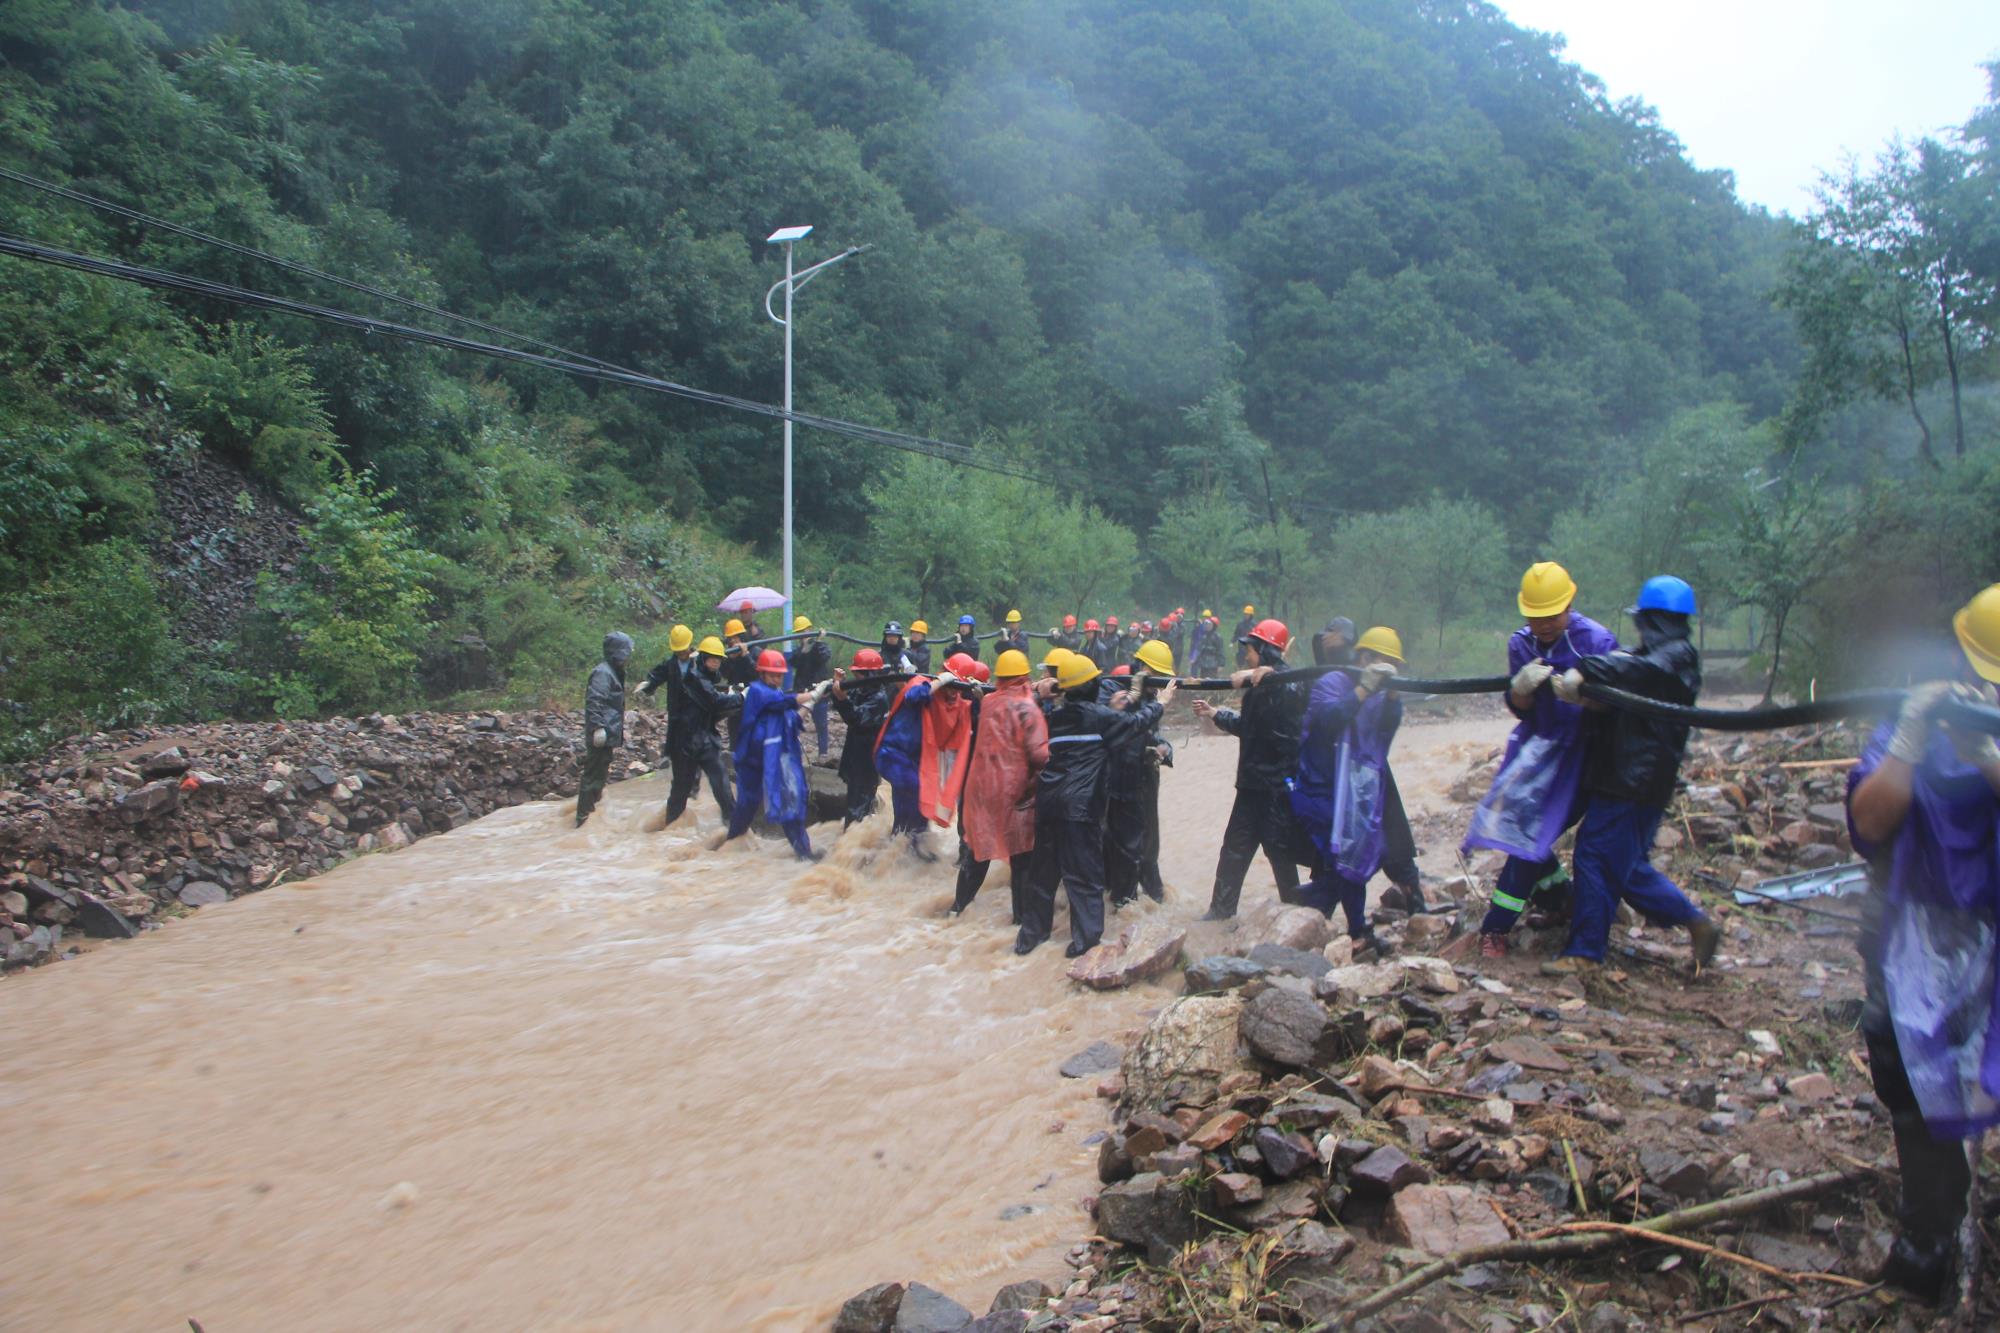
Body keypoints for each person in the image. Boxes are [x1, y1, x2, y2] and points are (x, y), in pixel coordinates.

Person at [1846, 584, 2000, 1302]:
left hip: (1988, 934)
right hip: (1904, 925)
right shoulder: (1916, 717)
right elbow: (1870, 822)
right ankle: (1930, 1235)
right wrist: (1911, 740)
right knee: (1904, 1071)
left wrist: (1989, 759)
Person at [1544, 576, 1719, 974]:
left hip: (1631, 779)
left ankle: (1585, 952)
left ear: (1650, 619)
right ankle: (1696, 923)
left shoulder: (1674, 657)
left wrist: (1584, 669)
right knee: (1626, 867)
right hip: (1640, 779)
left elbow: (1636, 670)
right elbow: (1630, 669)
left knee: (1593, 855)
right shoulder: (1659, 655)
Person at [1465, 563, 1621, 957]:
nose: (1544, 625)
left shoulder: (1598, 642)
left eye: (1551, 615)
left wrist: (1586, 697)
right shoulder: (1521, 644)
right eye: (1535, 617)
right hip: (1538, 752)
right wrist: (1520, 691)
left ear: (1569, 604)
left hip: (1585, 757)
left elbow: (1619, 709)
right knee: (1517, 827)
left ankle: (1496, 926)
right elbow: (1521, 708)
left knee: (1528, 837)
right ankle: (1559, 899)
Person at [1017, 652, 1174, 956]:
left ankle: (1029, 940)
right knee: (1084, 878)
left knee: (1042, 876)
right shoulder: (1099, 717)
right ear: (1091, 686)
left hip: (1048, 804)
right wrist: (1161, 703)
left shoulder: (1057, 715)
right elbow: (1136, 722)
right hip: (1080, 808)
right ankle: (1084, 945)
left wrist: (1043, 691)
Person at [1290, 628, 1405, 950]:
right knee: (1348, 861)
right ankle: (1355, 931)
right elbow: (1328, 722)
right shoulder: (1331, 682)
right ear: (1363, 657)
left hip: (1354, 795)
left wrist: (1392, 696)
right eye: (1380, 660)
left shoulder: (1381, 694)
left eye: (1393, 664)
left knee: (1364, 857)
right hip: (1317, 789)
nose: (1385, 668)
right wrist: (1363, 689)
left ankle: (1314, 904)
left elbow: (1385, 732)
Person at [1197, 618, 1309, 919]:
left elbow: (1296, 700)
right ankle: (1220, 911)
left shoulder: (1289, 683)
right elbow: (1250, 728)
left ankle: (1296, 915)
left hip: (1274, 788)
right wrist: (1216, 714)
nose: (1246, 655)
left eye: (1250, 650)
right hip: (1250, 785)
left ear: (1266, 650)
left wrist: (1270, 675)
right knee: (1234, 850)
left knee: (1280, 853)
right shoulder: (1260, 685)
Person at [952, 649, 1049, 918]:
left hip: (982, 790)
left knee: (978, 851)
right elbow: (1039, 756)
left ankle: (957, 909)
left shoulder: (989, 702)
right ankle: (1020, 919)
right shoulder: (1027, 708)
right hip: (1015, 792)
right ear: (1025, 677)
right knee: (1021, 856)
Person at [722, 650, 818, 860]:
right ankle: (730, 845)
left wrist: (809, 704)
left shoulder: (777, 695)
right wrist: (810, 695)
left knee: (788, 803)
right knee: (747, 804)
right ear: (762, 674)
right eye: (772, 675)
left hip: (775, 760)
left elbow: (791, 720)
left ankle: (804, 852)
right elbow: (781, 703)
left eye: (779, 675)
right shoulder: (758, 691)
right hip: (752, 760)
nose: (776, 679)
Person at [874, 657, 974, 857]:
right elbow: (913, 696)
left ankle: (900, 845)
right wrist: (939, 682)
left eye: (958, 688)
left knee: (908, 801)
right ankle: (914, 846)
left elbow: (965, 713)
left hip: (912, 760)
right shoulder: (922, 684)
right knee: (920, 793)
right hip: (892, 754)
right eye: (952, 686)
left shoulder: (951, 700)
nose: (954, 692)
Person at [1105, 638, 1176, 907]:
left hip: (1144, 777)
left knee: (1148, 843)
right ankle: (1123, 901)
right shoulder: (1112, 689)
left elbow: (1152, 733)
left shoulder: (1150, 695)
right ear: (1144, 669)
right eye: (1157, 675)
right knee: (1122, 844)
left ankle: (1153, 896)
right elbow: (1119, 725)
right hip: (1118, 780)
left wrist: (1163, 748)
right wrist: (1139, 699)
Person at [657, 635, 740, 825]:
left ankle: (733, 825)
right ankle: (671, 826)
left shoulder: (707, 676)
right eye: (712, 659)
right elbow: (715, 702)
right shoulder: (694, 677)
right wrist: (741, 698)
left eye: (718, 659)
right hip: (685, 743)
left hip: (705, 739)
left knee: (721, 782)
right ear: (703, 658)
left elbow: (715, 698)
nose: (716, 663)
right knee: (681, 789)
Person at [576, 631, 632, 826]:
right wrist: (598, 727)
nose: (628, 657)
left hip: (607, 734)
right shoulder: (603, 673)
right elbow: (595, 701)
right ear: (618, 652)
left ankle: (592, 816)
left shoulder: (612, 672)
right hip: (601, 733)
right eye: (626, 652)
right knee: (593, 776)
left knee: (599, 775)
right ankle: (583, 819)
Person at [831, 649, 893, 826]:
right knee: (855, 804)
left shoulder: (879, 699)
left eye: (858, 674)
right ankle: (855, 836)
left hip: (866, 760)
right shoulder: (861, 691)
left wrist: (842, 699)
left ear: (869, 674)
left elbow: (856, 718)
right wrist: (838, 689)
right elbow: (845, 704)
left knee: (859, 808)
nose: (856, 677)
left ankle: (856, 839)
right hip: (854, 756)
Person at [787, 616, 834, 757]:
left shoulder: (821, 646)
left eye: (805, 631)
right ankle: (791, 751)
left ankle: (823, 754)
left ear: (810, 630)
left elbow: (824, 657)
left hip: (819, 692)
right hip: (802, 691)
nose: (803, 635)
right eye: (800, 633)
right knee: (795, 721)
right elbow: (794, 662)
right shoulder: (799, 651)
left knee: (821, 725)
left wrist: (817, 643)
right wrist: (805, 648)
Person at [720, 618, 756, 688]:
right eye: (730, 638)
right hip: (734, 690)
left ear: (742, 636)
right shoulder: (728, 654)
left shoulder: (755, 651)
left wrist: (746, 656)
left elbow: (758, 675)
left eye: (735, 637)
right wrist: (731, 659)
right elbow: (724, 675)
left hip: (751, 690)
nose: (732, 641)